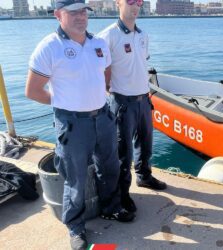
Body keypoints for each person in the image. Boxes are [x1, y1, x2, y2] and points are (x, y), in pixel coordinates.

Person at [25, 1, 134, 249]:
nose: (80, 16)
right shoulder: (50, 47)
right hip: (73, 124)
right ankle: (75, 225)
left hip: (103, 118)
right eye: (73, 12)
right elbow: (32, 91)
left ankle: (111, 208)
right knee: (74, 177)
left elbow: (105, 74)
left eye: (83, 11)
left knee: (109, 167)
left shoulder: (98, 43)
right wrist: (66, 101)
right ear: (57, 15)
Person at [98, 0, 167, 213]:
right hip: (122, 102)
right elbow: (99, 71)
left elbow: (141, 64)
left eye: (139, 2)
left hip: (143, 100)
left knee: (145, 144)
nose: (136, 6)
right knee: (123, 152)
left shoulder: (143, 35)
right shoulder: (107, 36)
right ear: (118, 3)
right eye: (130, 2)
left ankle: (144, 176)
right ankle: (122, 193)